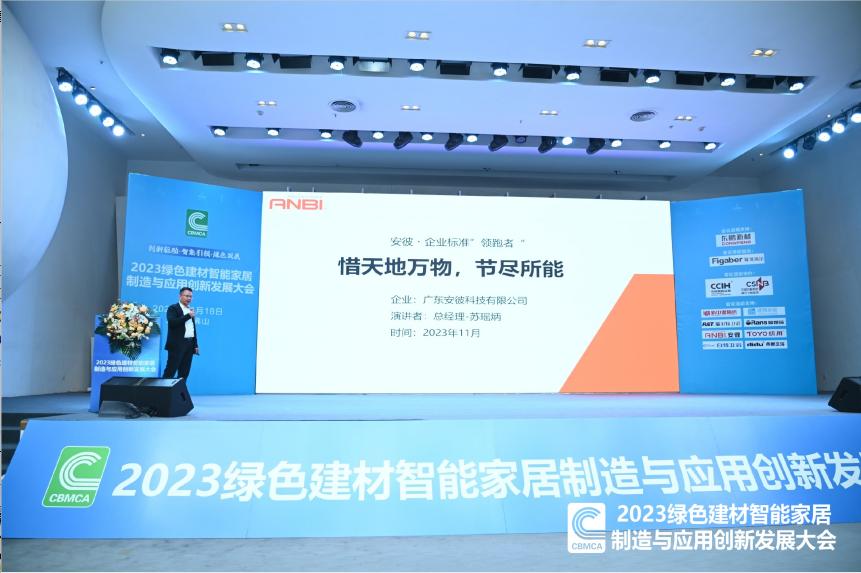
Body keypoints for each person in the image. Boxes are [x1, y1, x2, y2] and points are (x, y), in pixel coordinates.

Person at [163, 287, 199, 381]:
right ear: (180, 296)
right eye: (187, 296)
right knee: (170, 371)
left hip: (189, 345)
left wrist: (195, 345)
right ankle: (163, 390)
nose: (189, 298)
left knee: (184, 373)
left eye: (190, 296)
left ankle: (179, 390)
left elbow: (192, 329)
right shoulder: (173, 308)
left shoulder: (190, 310)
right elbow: (172, 323)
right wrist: (188, 316)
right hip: (177, 345)